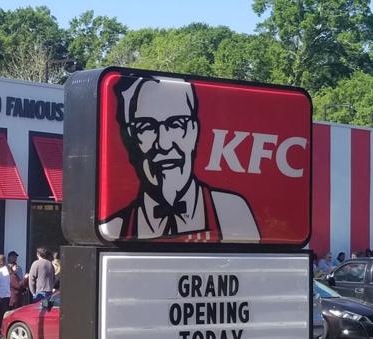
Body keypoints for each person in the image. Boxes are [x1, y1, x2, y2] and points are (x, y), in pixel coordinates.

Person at [99, 74, 260, 242]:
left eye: (176, 124)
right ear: (130, 138)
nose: (164, 144)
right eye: (146, 127)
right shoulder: (115, 227)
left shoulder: (232, 213)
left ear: (194, 131)